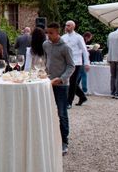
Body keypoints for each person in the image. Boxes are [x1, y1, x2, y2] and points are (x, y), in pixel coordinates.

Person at [43, 22, 75, 156]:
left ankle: (64, 142)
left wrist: (61, 78)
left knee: (62, 113)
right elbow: (47, 60)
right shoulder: (45, 45)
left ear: (57, 32)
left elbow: (71, 66)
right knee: (49, 113)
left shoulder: (65, 48)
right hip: (48, 83)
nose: (48, 35)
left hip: (61, 85)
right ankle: (51, 138)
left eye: (51, 33)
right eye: (47, 33)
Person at [62, 20, 90, 107]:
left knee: (73, 82)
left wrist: (86, 63)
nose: (67, 27)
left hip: (76, 62)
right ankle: (82, 96)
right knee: (70, 82)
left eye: (69, 25)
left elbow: (84, 50)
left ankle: (69, 102)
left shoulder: (78, 37)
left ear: (73, 27)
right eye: (66, 25)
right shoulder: (63, 37)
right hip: (66, 62)